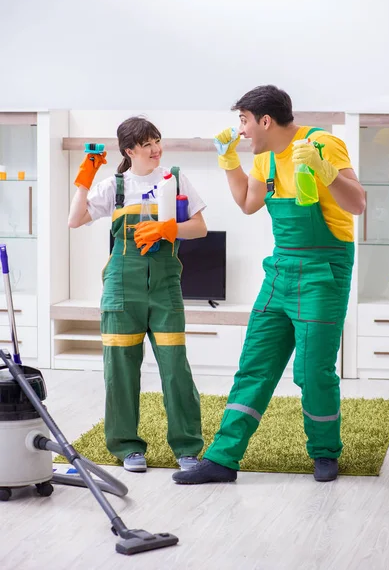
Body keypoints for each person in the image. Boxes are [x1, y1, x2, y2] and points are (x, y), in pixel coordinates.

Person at [172, 85, 366, 485]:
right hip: (279, 271)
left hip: (323, 272)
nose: (240, 130)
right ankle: (223, 459)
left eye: (243, 120)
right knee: (254, 366)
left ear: (265, 120)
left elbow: (358, 204)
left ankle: (325, 452)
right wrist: (228, 161)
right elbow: (247, 202)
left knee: (313, 371)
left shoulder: (323, 144)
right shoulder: (263, 159)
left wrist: (325, 170)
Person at [68, 116, 206, 473]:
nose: (155, 149)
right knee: (120, 371)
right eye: (146, 144)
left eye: (157, 141)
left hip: (165, 289)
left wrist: (167, 227)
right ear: (129, 151)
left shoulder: (174, 178)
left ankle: (188, 448)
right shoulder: (114, 186)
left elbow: (200, 228)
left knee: (176, 369)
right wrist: (84, 179)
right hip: (121, 289)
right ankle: (127, 447)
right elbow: (75, 219)